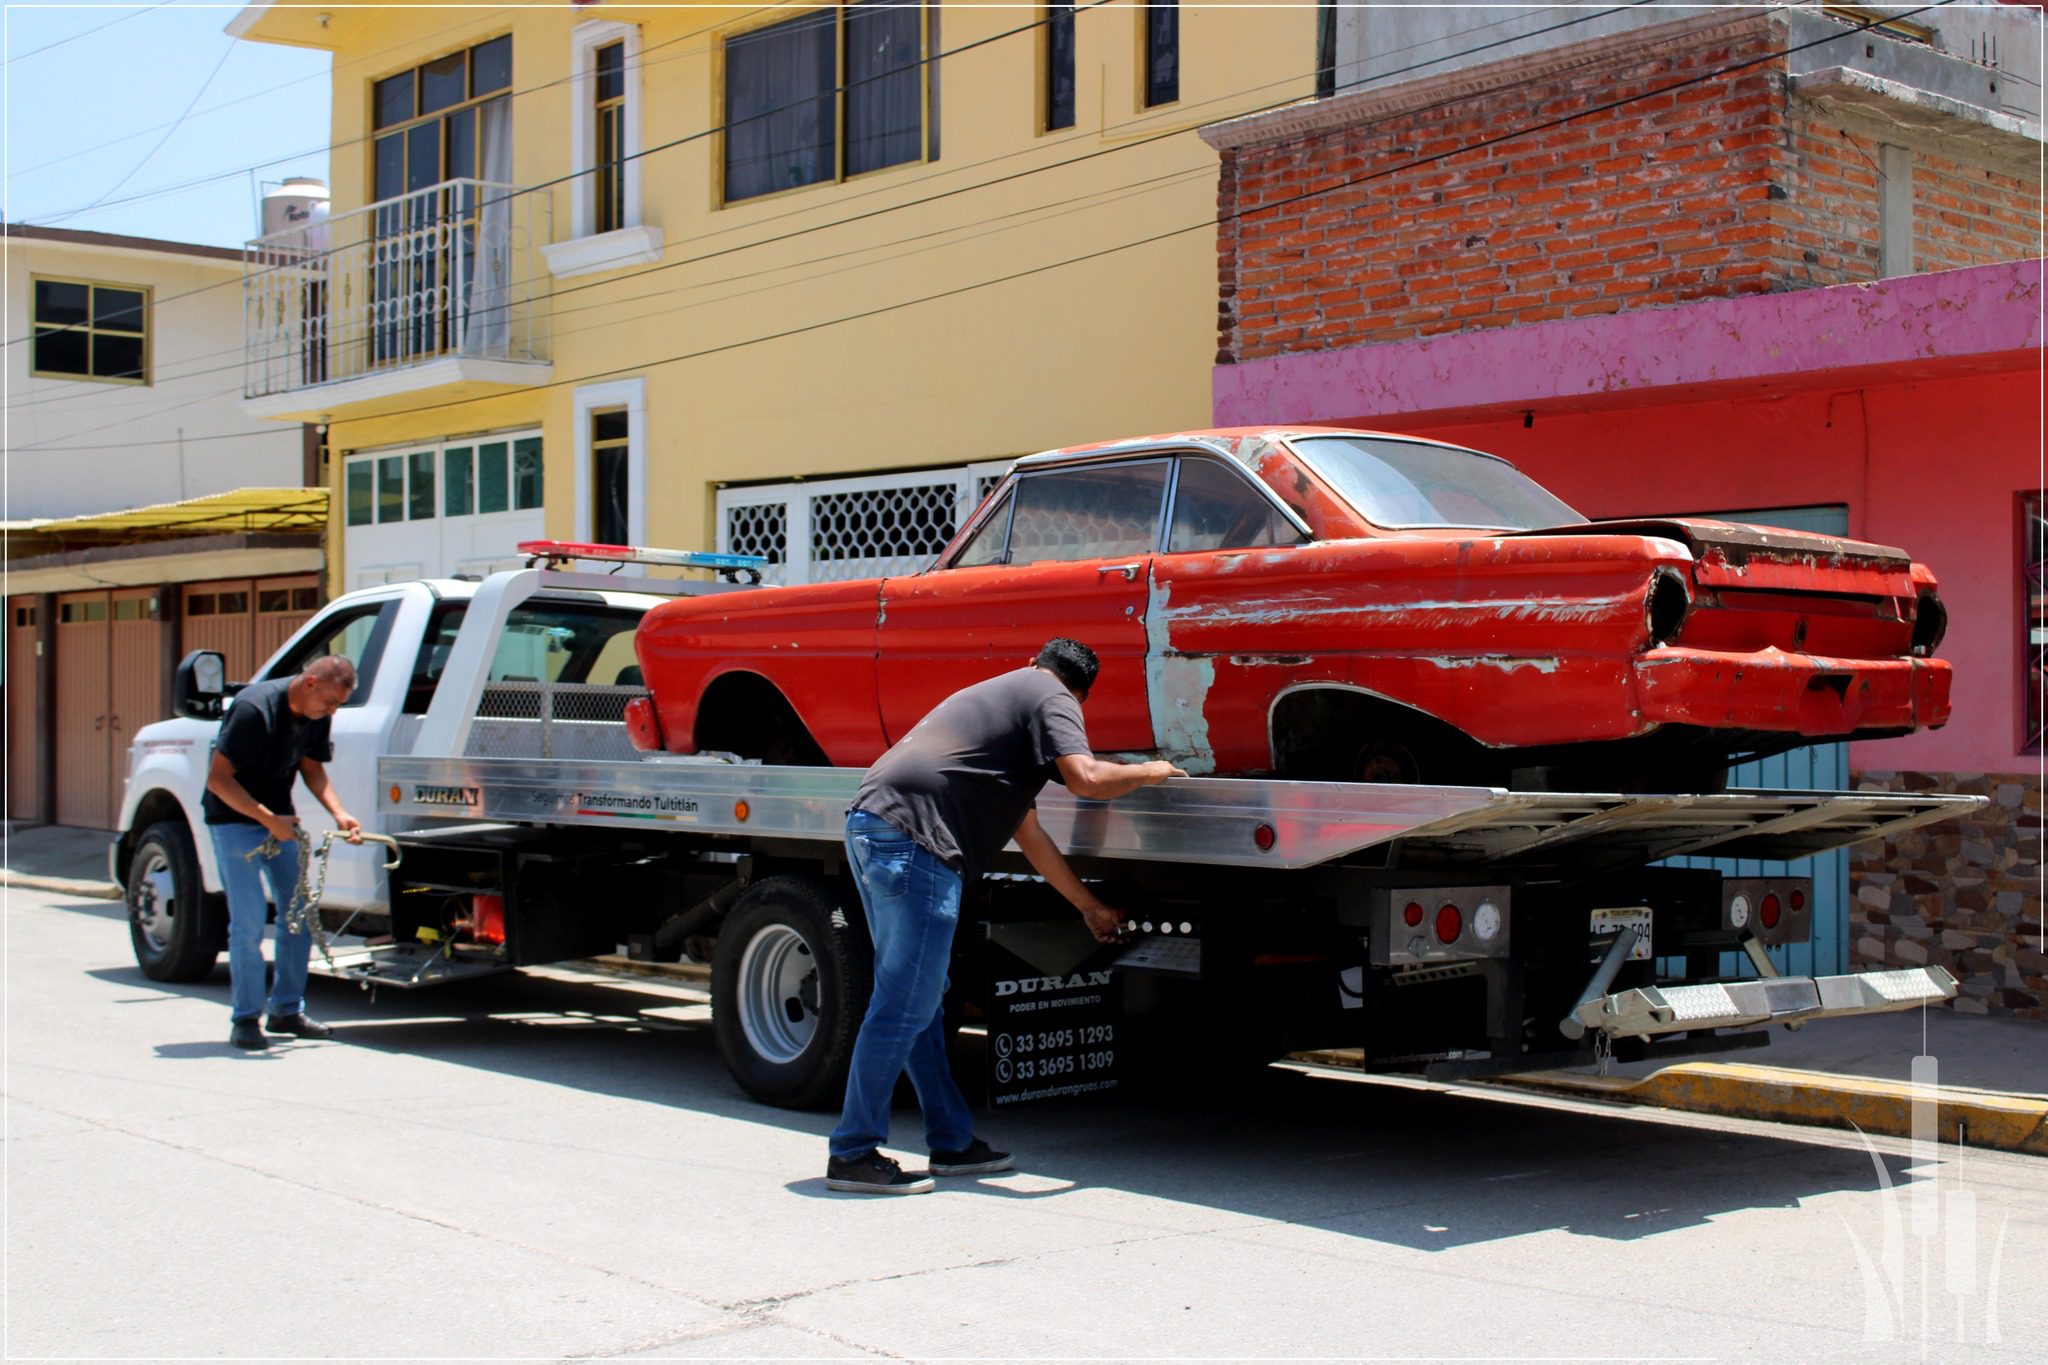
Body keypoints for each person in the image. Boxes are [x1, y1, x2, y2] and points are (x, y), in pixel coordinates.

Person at [826, 637, 1185, 1194]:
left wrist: (1087, 906)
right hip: (914, 841)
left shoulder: (1002, 701)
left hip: (877, 825)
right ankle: (853, 1151)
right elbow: (1086, 779)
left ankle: (950, 1142)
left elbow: (1030, 835)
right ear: (1079, 693)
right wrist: (1154, 770)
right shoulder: (1051, 692)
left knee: (919, 995)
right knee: (904, 1001)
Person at [202, 655, 363, 1050]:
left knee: (300, 916)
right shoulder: (253, 710)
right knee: (249, 920)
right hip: (234, 820)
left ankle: (286, 1010)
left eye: (337, 706)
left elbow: (311, 769)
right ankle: (245, 1019)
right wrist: (266, 818)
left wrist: (340, 813)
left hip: (280, 823)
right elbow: (218, 780)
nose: (331, 711)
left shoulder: (316, 711)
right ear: (309, 683)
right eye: (329, 703)